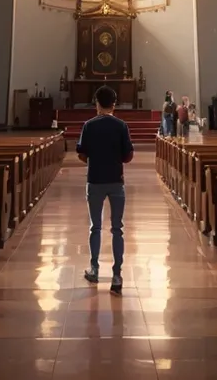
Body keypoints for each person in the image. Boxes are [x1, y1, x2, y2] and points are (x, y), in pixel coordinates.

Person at [76, 85, 134, 295]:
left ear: (97, 104)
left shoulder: (89, 126)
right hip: (116, 181)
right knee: (117, 228)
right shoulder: (121, 126)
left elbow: (81, 153)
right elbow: (128, 155)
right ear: (114, 104)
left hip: (95, 180)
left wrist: (95, 160)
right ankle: (117, 275)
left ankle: (94, 268)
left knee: (95, 227)